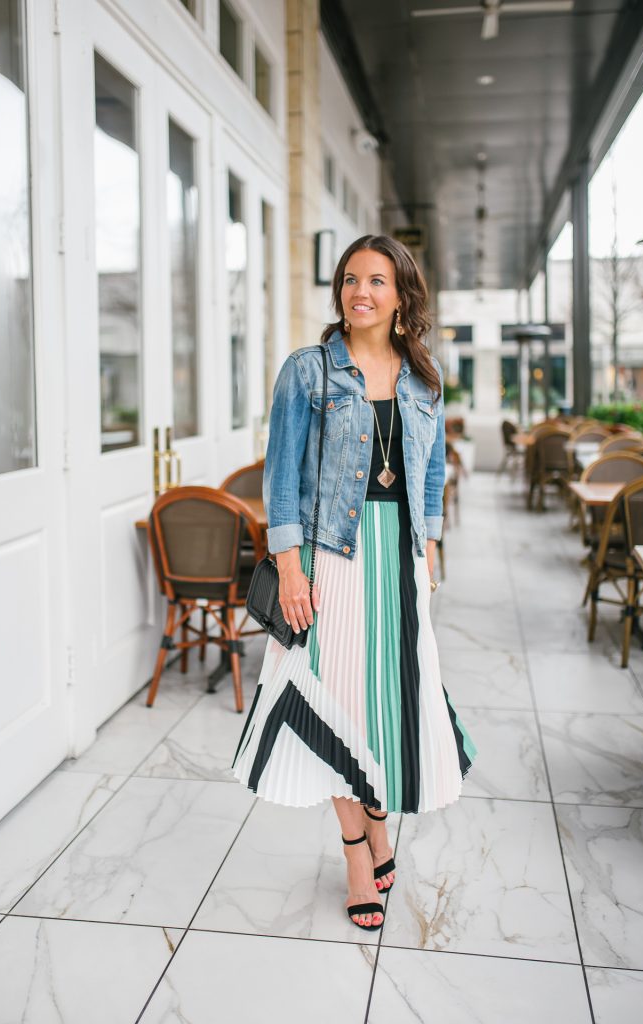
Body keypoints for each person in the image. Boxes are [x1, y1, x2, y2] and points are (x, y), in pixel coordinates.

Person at [231, 234, 477, 931]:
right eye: (348, 280)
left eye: (375, 280)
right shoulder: (307, 372)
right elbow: (281, 479)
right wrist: (288, 568)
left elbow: (430, 478)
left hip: (396, 562)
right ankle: (358, 856)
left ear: (402, 295)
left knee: (391, 706)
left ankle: (378, 817)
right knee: (331, 702)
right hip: (326, 559)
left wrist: (425, 556)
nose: (359, 292)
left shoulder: (425, 378)